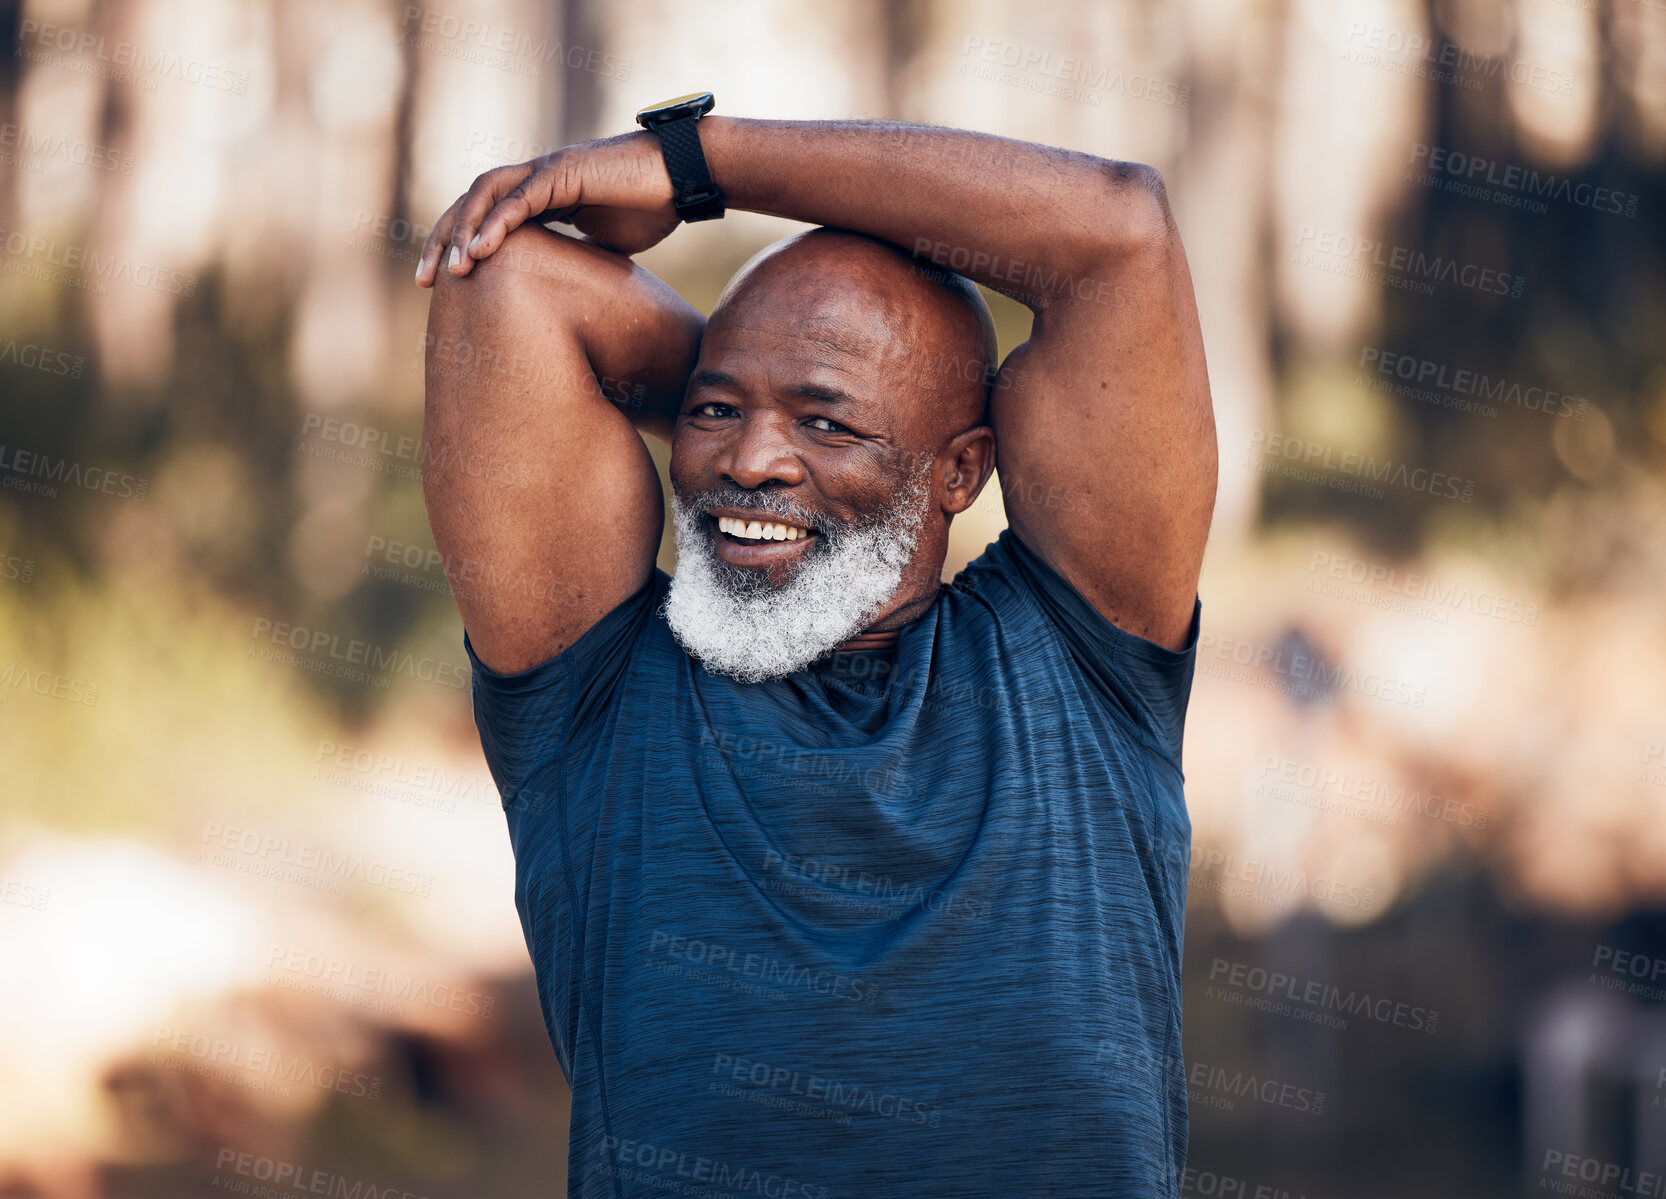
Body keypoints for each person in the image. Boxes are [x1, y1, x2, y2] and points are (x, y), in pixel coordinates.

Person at [415, 109, 1215, 1199]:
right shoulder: (597, 693)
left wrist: (692, 161)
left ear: (960, 468)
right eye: (713, 409)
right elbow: (501, 273)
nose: (748, 460)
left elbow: (1115, 230)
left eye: (827, 422)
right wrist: (779, 392)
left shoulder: (1082, 657)